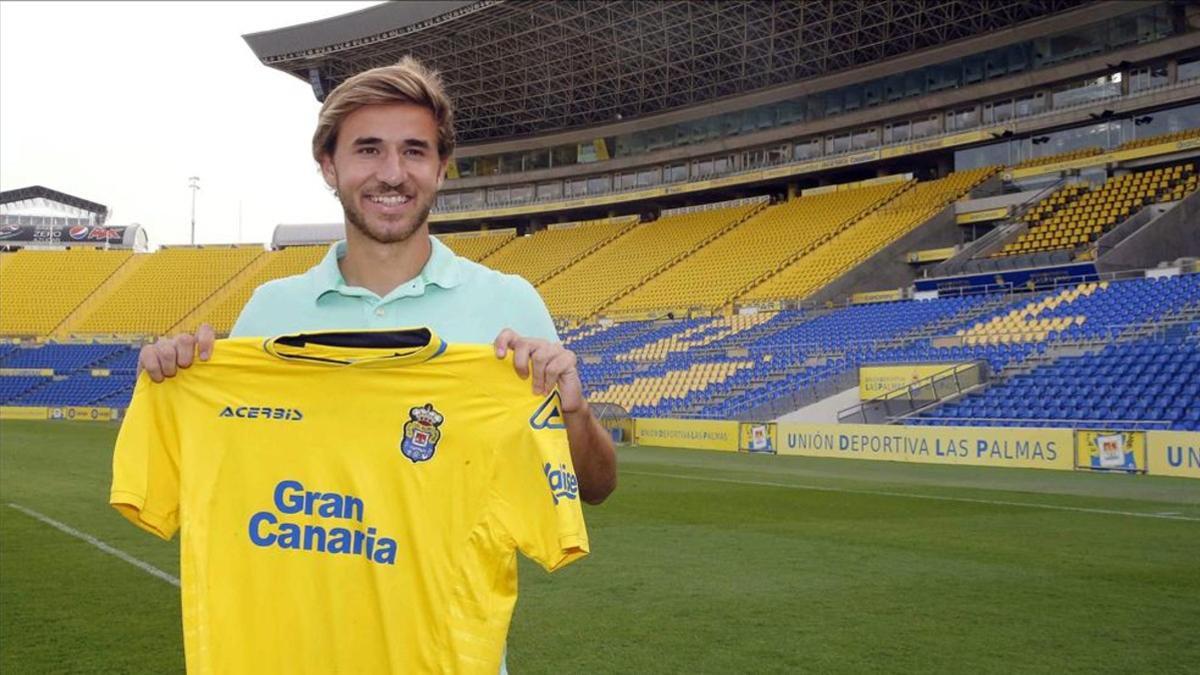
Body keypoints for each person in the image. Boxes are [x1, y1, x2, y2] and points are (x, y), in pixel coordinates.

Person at [138, 56, 616, 505]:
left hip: (451, 596)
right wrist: (177, 386)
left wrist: (573, 414)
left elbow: (594, 488)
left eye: (414, 151)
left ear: (440, 169)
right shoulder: (269, 312)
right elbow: (219, 477)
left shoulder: (509, 303)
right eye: (369, 150)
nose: (393, 174)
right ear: (330, 166)